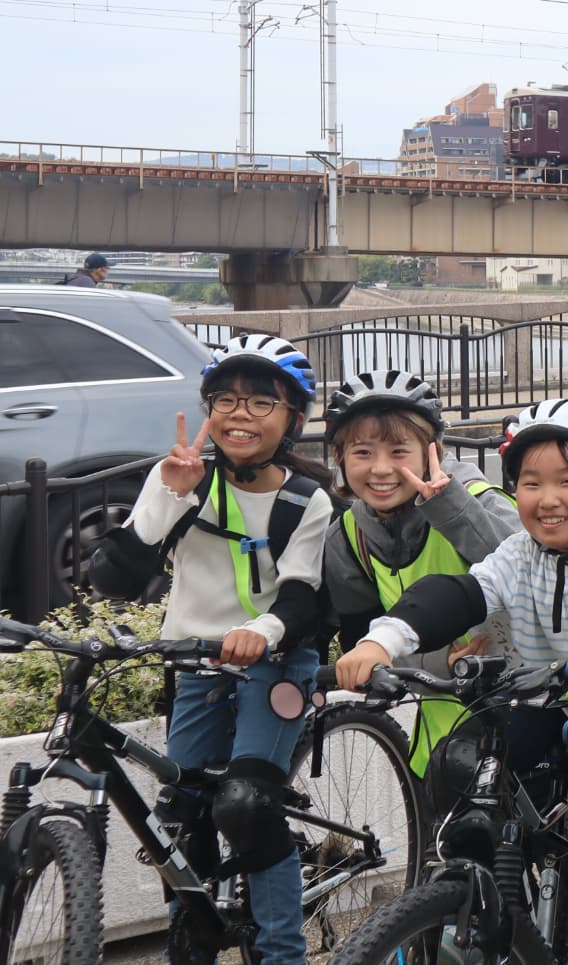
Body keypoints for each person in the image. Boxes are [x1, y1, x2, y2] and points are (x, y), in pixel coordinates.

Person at [334, 398, 568, 965]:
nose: (547, 499)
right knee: (465, 775)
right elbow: (462, 593)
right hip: (547, 700)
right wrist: (383, 640)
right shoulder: (521, 551)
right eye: (531, 483)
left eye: (567, 481)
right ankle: (497, 910)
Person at [130, 335, 335, 965]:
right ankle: (189, 943)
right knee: (181, 810)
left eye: (261, 402)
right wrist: (171, 493)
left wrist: (261, 633)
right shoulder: (181, 478)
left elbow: (301, 596)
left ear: (292, 420)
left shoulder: (306, 499)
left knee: (246, 805)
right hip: (195, 662)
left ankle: (281, 953)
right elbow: (116, 572)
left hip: (276, 661)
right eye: (226, 399)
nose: (240, 414)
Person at [320, 369, 520, 777]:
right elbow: (362, 644)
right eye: (362, 453)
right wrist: (437, 662)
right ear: (339, 457)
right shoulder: (347, 536)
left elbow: (533, 574)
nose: (380, 469)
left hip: (524, 717)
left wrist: (449, 507)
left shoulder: (480, 499)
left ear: (433, 451)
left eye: (398, 451)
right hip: (440, 744)